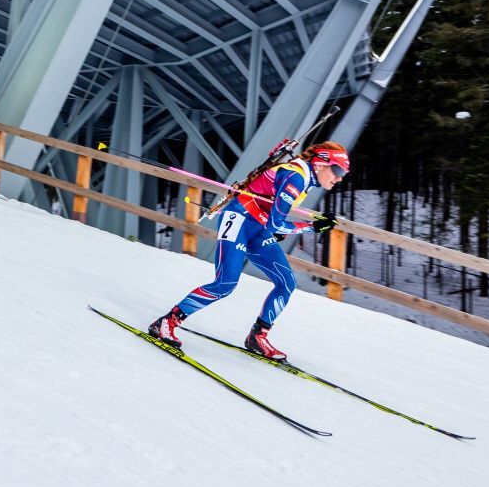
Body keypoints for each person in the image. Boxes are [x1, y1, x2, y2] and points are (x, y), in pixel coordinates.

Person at [148, 141, 350, 362]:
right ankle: (166, 323)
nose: (339, 178)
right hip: (239, 220)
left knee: (286, 282)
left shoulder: (304, 175)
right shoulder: (297, 177)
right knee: (225, 284)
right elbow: (276, 224)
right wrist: (311, 226)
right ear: (320, 164)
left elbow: (270, 206)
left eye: (344, 173)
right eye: (337, 170)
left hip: (257, 226)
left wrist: (295, 224)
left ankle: (258, 336)